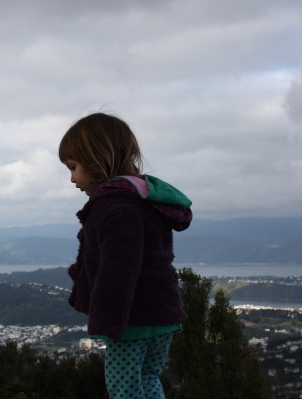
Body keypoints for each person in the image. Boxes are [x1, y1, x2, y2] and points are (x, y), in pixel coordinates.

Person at [58, 112, 192, 399]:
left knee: (123, 388)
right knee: (149, 377)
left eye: (73, 167)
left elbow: (118, 270)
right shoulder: (143, 198)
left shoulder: (115, 207)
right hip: (163, 312)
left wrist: (106, 321)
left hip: (134, 317)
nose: (72, 179)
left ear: (97, 159)